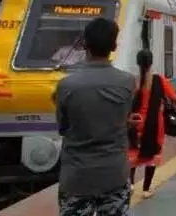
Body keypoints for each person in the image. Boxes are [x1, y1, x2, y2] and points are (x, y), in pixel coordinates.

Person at [54, 18, 135, 216]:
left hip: (77, 176)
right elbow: (124, 119)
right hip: (114, 173)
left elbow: (62, 127)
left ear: (84, 44)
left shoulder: (66, 85)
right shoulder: (128, 82)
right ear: (114, 46)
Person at [128, 49, 176, 199]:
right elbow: (175, 99)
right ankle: (146, 190)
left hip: (135, 122)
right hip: (154, 124)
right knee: (152, 155)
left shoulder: (134, 81)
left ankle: (130, 185)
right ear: (151, 63)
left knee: (133, 153)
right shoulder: (159, 80)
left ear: (138, 63)